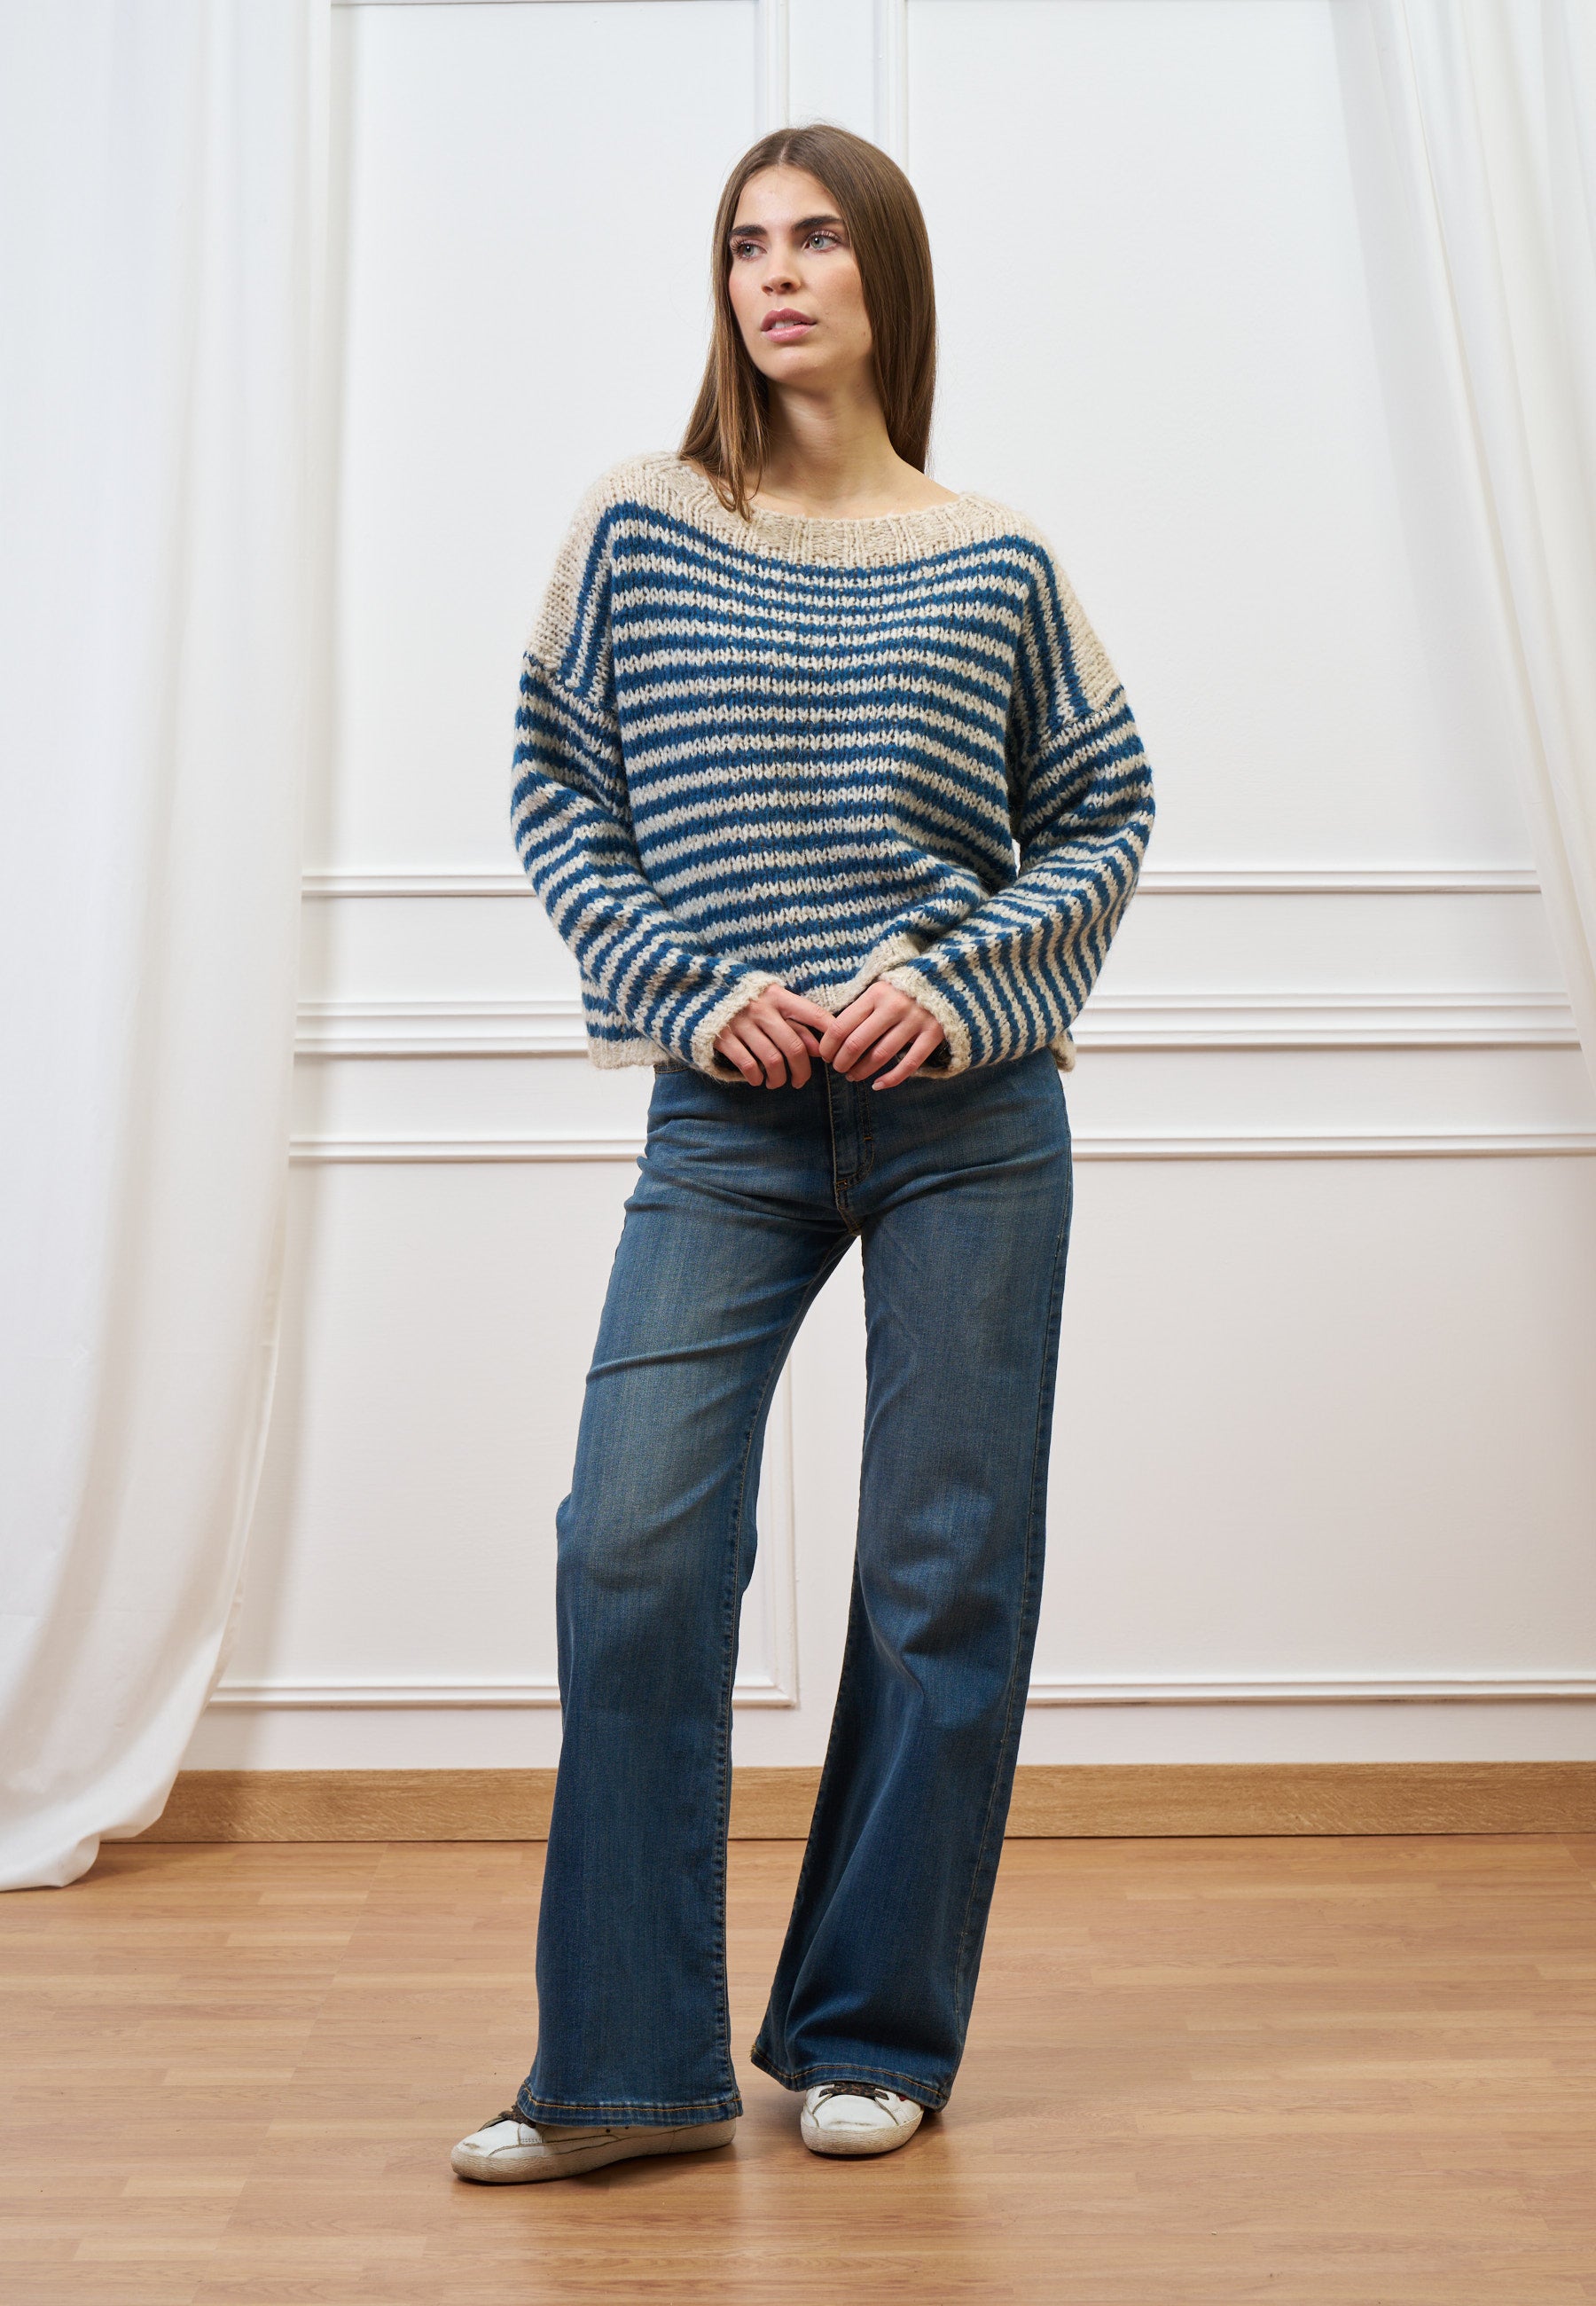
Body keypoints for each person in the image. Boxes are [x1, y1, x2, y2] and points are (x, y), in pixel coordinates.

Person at [452, 120, 1154, 2184]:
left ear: (883, 278)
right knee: (632, 1543)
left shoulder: (997, 558)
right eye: (747, 243)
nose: (776, 273)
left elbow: (1106, 814)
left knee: (943, 1577)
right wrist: (684, 985)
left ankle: (871, 2033)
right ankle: (623, 2073)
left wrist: (960, 979)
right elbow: (558, 790)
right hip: (728, 1117)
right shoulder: (640, 524)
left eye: (819, 238)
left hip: (969, 1119)